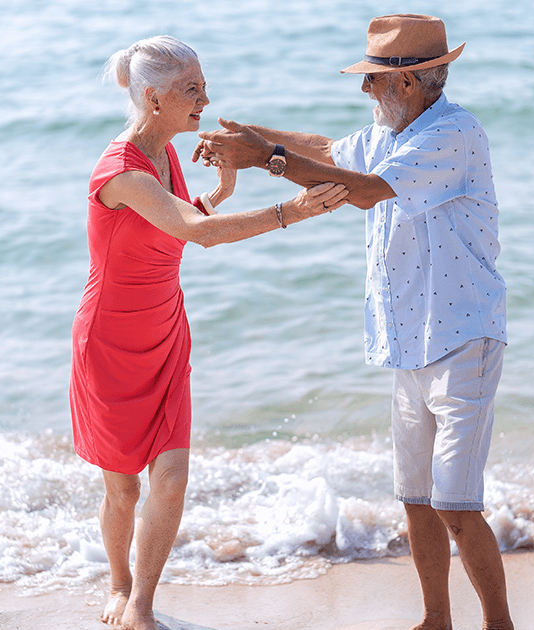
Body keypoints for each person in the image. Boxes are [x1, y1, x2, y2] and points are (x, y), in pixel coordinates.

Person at [193, 14, 513, 630]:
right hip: (409, 343)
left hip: (462, 339)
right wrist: (251, 138)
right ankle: (436, 620)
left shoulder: (453, 134)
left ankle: (498, 623)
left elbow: (364, 189)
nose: (364, 91)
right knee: (415, 500)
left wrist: (267, 159)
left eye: (373, 81)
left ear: (411, 84)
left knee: (455, 503)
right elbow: (325, 150)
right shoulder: (390, 130)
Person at [70, 36, 348, 630]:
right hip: (111, 345)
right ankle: (118, 584)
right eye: (190, 89)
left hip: (166, 330)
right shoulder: (120, 170)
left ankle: (141, 607)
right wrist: (291, 211)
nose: (205, 98)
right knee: (121, 490)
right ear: (152, 98)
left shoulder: (165, 154)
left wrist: (219, 194)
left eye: (202, 83)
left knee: (169, 481)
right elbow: (198, 232)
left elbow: (177, 224)